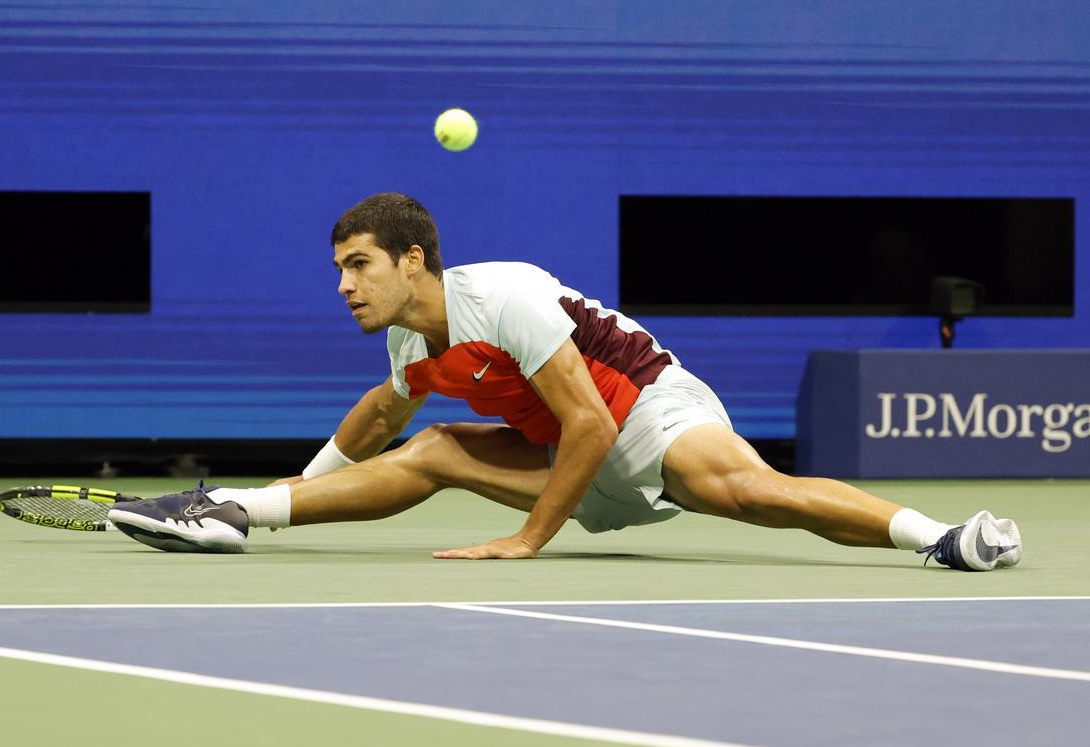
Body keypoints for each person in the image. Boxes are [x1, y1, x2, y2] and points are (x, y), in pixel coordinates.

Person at [108, 192, 1021, 571]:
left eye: (358, 265)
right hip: (574, 455)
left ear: (412, 259)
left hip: (649, 413)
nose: (344, 286)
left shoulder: (503, 295)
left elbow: (588, 421)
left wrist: (529, 537)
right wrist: (288, 492)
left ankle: (944, 538)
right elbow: (381, 413)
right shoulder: (412, 345)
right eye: (338, 270)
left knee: (747, 490)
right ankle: (229, 509)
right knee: (429, 445)